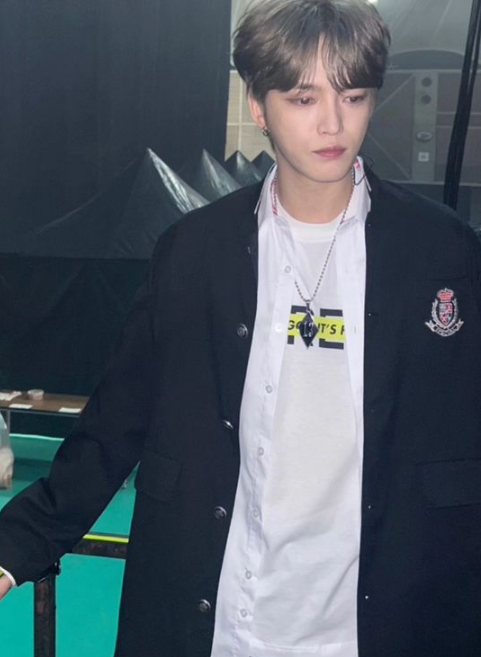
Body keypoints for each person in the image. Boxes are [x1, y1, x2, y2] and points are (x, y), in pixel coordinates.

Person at [1, 1, 481, 655]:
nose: (333, 123)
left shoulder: (442, 253)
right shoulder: (193, 253)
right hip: (222, 626)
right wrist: (16, 544)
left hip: (383, 624)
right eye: (303, 98)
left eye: (353, 96)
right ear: (258, 105)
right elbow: (116, 424)